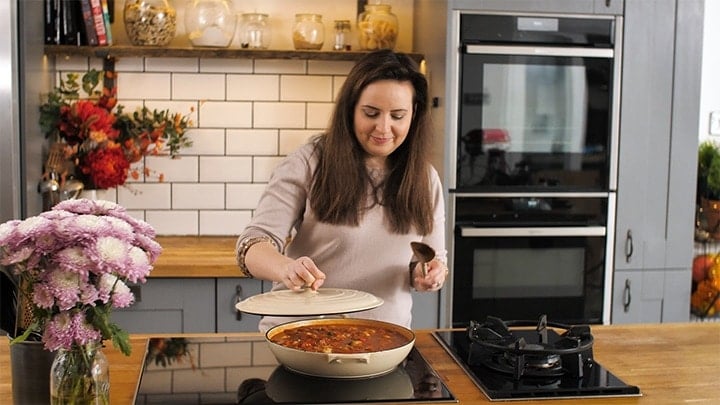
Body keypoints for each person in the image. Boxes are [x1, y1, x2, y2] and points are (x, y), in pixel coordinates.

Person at [235, 49, 448, 332]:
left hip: (384, 343)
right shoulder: (309, 162)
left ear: (414, 114)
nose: (384, 127)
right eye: (371, 113)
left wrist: (428, 275)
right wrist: (286, 268)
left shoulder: (424, 178)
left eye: (398, 115)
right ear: (350, 109)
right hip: (301, 335)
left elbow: (430, 260)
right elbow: (252, 245)